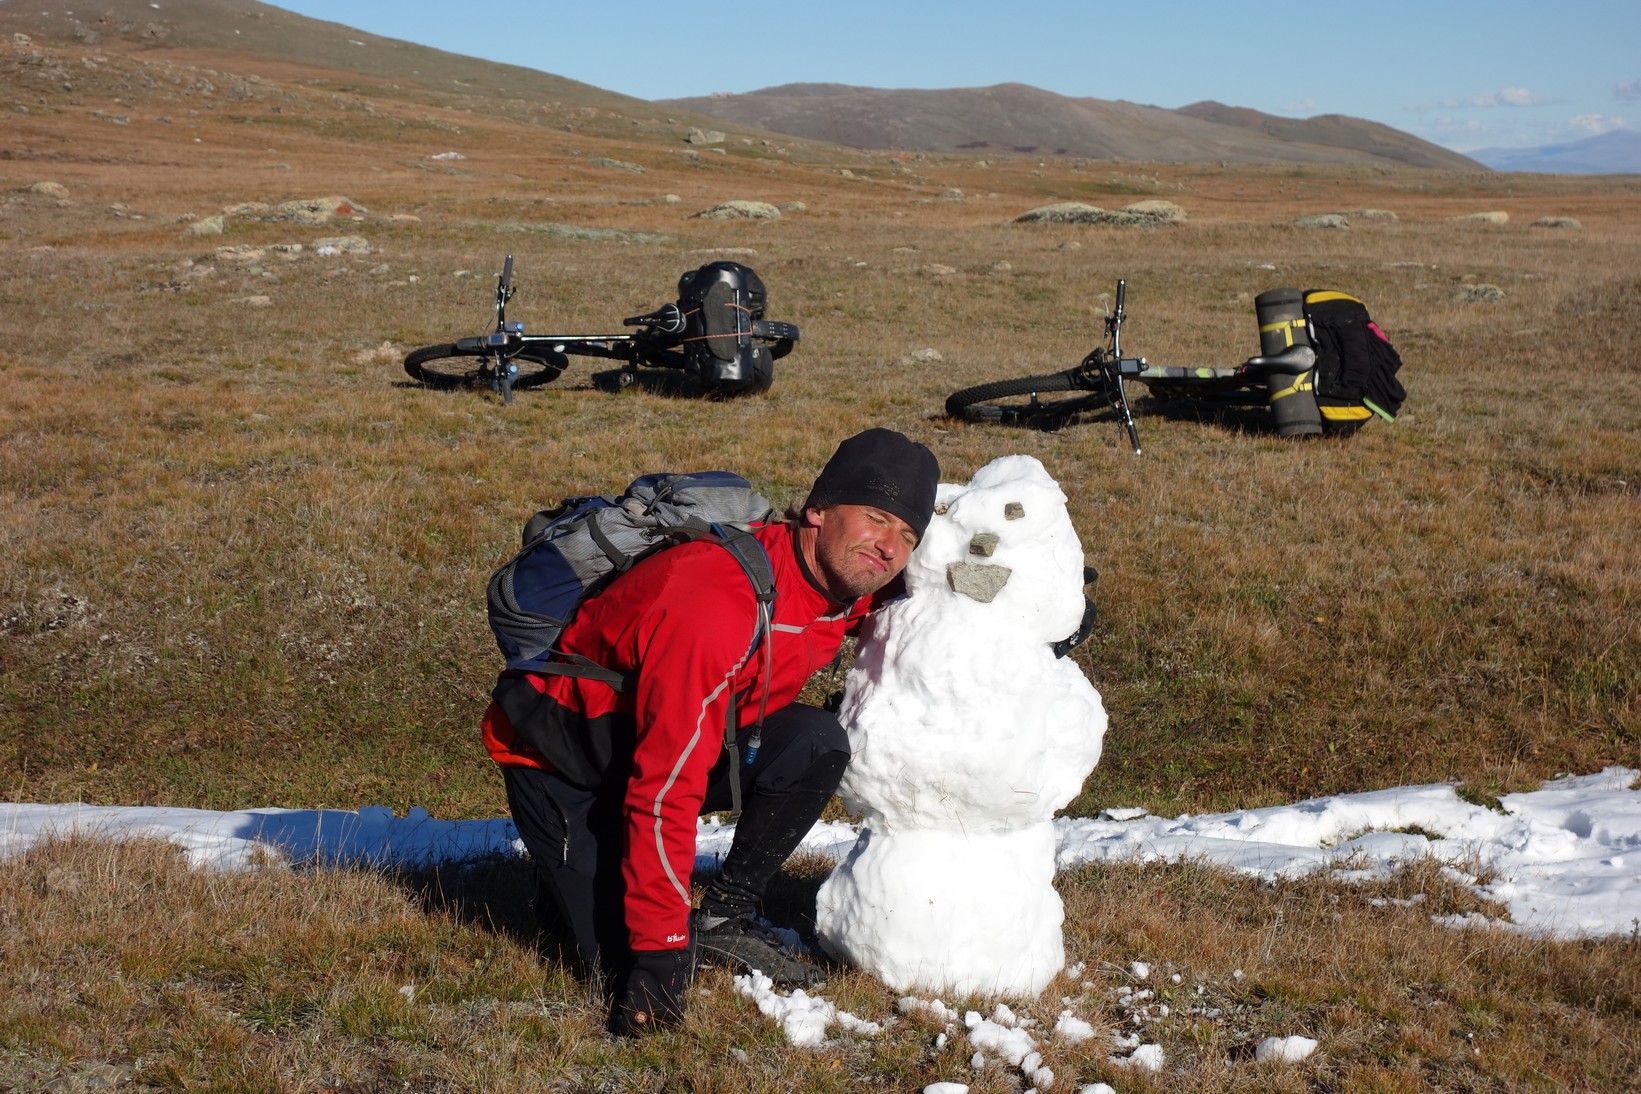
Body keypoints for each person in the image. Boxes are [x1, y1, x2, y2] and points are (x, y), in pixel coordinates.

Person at [480, 428, 940, 1035]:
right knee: (618, 966)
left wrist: (1044, 620)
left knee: (815, 741)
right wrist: (662, 954)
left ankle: (727, 917)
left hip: (671, 746)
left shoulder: (842, 582)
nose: (888, 547)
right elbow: (664, 788)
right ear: (818, 511)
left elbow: (938, 601)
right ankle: (566, 871)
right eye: (877, 518)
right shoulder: (716, 603)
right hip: (568, 763)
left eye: (907, 536)